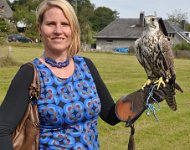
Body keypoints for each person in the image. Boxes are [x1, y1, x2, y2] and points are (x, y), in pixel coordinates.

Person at [0, 0, 172, 149]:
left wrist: (145, 96)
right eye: (51, 24)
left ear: (73, 29)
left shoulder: (86, 66)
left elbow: (110, 115)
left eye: (65, 24)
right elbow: (3, 129)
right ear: (40, 28)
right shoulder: (30, 72)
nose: (58, 30)